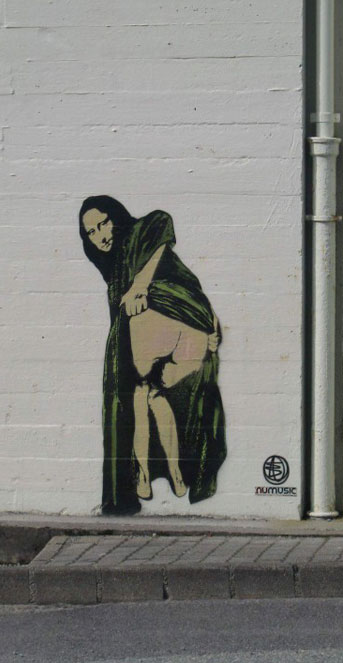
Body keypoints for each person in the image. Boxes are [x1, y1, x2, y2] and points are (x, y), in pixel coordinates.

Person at [79, 196, 226, 515]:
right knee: (151, 394)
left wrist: (140, 286)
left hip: (174, 328)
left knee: (143, 391)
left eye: (103, 224)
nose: (100, 235)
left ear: (116, 218)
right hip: (173, 336)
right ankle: (167, 473)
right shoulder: (114, 267)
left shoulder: (135, 236)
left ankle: (149, 473)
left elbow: (161, 220)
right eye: (91, 232)